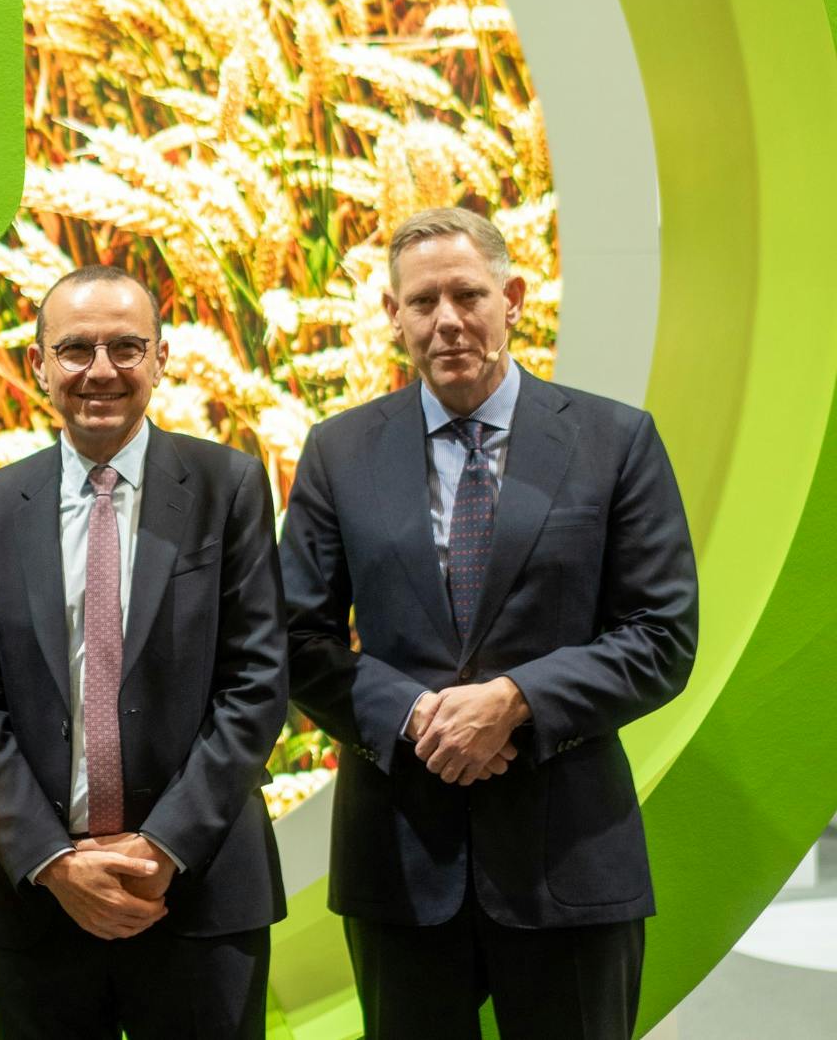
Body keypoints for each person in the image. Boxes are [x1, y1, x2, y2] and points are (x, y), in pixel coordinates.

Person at [280, 206, 700, 1039]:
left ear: (512, 296)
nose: (447, 320)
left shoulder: (615, 441)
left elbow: (661, 633)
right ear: (392, 316)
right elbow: (295, 637)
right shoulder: (339, 452)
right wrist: (416, 716)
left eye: (467, 294)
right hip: (400, 863)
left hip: (570, 859)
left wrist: (513, 699)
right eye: (422, 301)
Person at [0, 264, 289, 1040]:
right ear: (37, 364)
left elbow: (257, 684)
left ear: (162, 358)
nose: (101, 370)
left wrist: (162, 846)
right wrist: (56, 863)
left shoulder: (227, 484)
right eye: (75, 349)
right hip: (40, 899)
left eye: (126, 347)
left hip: (198, 896)